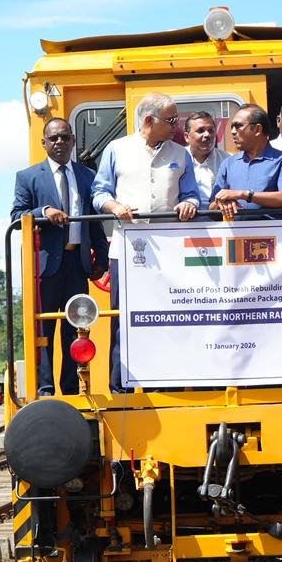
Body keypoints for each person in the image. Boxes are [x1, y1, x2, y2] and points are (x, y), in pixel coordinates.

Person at [92, 93, 202, 392]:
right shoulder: (117, 149)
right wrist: (114, 207)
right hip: (126, 249)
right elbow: (99, 192)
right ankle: (120, 387)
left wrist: (189, 204)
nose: (176, 126)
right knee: (122, 319)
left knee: (169, 316)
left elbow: (192, 194)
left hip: (170, 252)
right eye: (171, 121)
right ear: (149, 121)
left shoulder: (181, 154)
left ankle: (166, 384)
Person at [11, 118, 110, 397]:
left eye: (65, 137)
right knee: (44, 332)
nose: (59, 143)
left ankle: (69, 390)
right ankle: (45, 390)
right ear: (44, 143)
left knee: (74, 332)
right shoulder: (28, 177)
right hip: (44, 270)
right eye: (53, 138)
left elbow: (95, 223)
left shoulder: (87, 176)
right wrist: (44, 212)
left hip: (77, 266)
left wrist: (101, 259)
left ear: (73, 142)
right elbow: (17, 216)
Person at [208, 104, 282, 218]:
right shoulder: (228, 163)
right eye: (232, 127)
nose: (233, 132)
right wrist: (223, 202)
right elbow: (211, 207)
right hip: (235, 234)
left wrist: (244, 194)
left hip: (272, 233)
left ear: (257, 129)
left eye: (238, 126)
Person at [184, 111, 227, 203]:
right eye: (200, 131)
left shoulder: (227, 161)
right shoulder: (177, 158)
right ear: (187, 137)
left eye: (211, 130)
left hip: (217, 215)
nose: (207, 135)